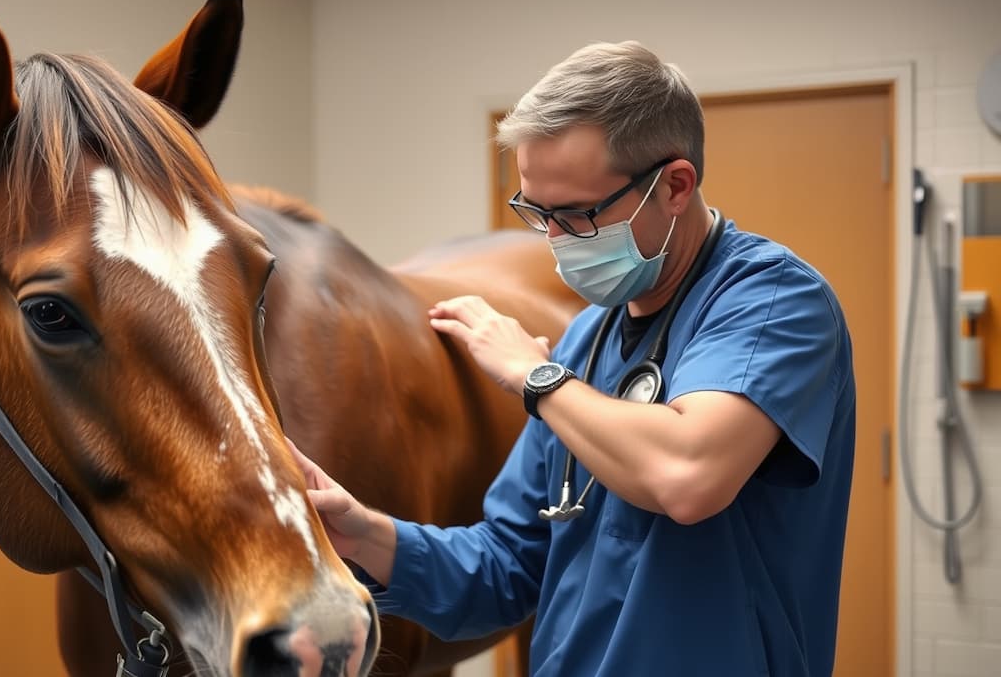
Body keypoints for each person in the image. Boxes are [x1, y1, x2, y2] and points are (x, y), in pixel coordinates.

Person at [290, 40, 856, 676]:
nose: (555, 240)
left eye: (577, 215)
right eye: (537, 212)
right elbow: (508, 564)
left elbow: (687, 474)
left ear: (675, 185)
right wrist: (365, 534)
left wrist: (536, 378)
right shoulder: (589, 339)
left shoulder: (773, 299)